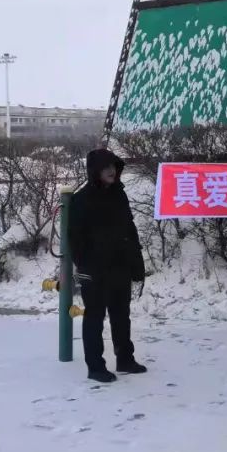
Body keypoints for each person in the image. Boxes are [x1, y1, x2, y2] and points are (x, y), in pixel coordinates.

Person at [69, 149, 148, 383]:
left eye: (113, 166)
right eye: (106, 168)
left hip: (120, 265)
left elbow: (129, 230)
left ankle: (125, 359)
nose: (111, 171)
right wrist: (84, 266)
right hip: (94, 270)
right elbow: (75, 239)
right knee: (94, 317)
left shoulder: (119, 195)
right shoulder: (81, 199)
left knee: (121, 315)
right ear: (95, 171)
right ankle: (95, 367)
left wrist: (136, 262)